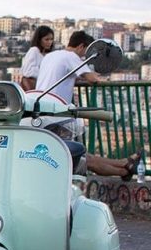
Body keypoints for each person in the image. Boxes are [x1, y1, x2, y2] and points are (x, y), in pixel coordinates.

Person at [36, 31, 139, 179]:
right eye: (86, 52)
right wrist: (101, 78)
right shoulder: (71, 57)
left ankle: (123, 164)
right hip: (56, 115)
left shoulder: (50, 56)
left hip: (40, 112)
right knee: (78, 158)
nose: (85, 57)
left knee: (79, 155)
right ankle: (123, 169)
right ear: (81, 46)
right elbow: (93, 79)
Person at [20, 25, 54, 91]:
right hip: (34, 89)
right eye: (46, 39)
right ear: (39, 39)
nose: (50, 42)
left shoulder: (47, 55)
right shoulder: (34, 50)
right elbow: (28, 71)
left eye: (51, 39)